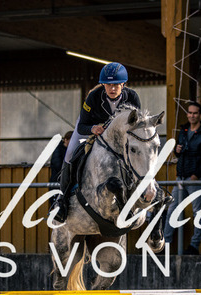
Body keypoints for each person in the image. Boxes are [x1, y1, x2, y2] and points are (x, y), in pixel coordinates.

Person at [51, 62, 141, 223]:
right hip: (91, 128)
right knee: (70, 153)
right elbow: (82, 126)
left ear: (123, 84)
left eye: (116, 85)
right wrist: (93, 128)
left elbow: (136, 125)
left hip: (120, 136)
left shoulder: (132, 97)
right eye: (108, 85)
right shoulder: (94, 96)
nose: (112, 88)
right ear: (103, 85)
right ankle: (61, 200)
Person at [163, 101, 201, 255]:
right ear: (187, 114)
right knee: (172, 210)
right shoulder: (183, 130)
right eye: (190, 113)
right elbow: (180, 153)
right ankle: (165, 244)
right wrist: (177, 150)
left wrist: (196, 175)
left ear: (200, 115)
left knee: (197, 212)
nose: (192, 115)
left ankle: (194, 246)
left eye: (195, 113)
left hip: (195, 179)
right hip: (181, 177)